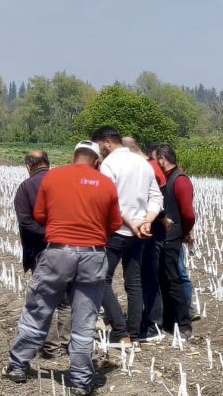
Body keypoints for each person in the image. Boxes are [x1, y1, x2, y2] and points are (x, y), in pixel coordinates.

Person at [5, 141, 122, 396]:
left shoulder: (53, 177)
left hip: (58, 252)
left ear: (74, 156)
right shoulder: (106, 184)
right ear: (97, 161)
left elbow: (39, 216)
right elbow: (114, 224)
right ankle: (80, 380)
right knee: (85, 318)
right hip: (93, 255)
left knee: (39, 308)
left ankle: (18, 366)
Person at [93, 126, 163, 349]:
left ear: (106, 143)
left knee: (101, 279)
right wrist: (146, 221)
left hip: (118, 231)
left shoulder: (109, 164)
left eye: (99, 146)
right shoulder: (143, 163)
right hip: (140, 233)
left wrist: (133, 223)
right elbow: (156, 198)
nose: (99, 152)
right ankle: (135, 334)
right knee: (134, 282)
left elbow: (110, 201)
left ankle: (120, 331)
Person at [13, 150, 70, 358]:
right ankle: (67, 344)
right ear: (47, 162)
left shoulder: (26, 188)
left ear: (29, 166)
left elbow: (25, 222)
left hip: (42, 250)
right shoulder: (65, 181)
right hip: (70, 248)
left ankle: (51, 347)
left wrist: (48, 234)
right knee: (66, 299)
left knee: (45, 298)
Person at [148, 143, 196, 339]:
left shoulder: (180, 180)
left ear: (162, 159)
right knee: (163, 278)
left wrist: (185, 232)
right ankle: (169, 320)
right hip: (164, 235)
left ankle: (184, 323)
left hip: (172, 235)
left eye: (153, 160)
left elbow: (188, 213)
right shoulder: (165, 178)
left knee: (173, 277)